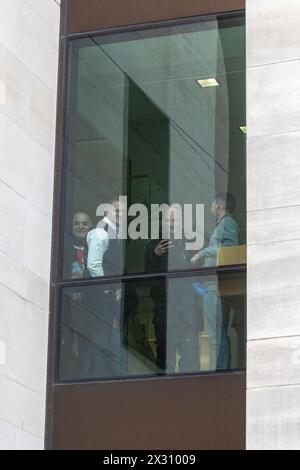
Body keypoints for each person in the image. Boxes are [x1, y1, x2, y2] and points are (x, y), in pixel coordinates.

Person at [145, 207, 201, 373]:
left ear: (181, 223)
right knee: (165, 360)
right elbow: (148, 278)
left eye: (174, 220)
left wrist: (201, 294)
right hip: (165, 309)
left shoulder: (191, 244)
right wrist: (155, 256)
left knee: (190, 358)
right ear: (162, 223)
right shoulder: (152, 246)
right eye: (167, 220)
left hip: (188, 309)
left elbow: (200, 278)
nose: (170, 223)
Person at [191, 192, 239, 370]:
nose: (211, 207)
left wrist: (203, 253)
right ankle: (221, 369)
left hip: (215, 287)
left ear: (218, 205)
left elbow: (230, 249)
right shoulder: (224, 225)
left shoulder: (227, 223)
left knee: (215, 335)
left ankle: (221, 371)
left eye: (212, 204)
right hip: (211, 287)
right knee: (217, 334)